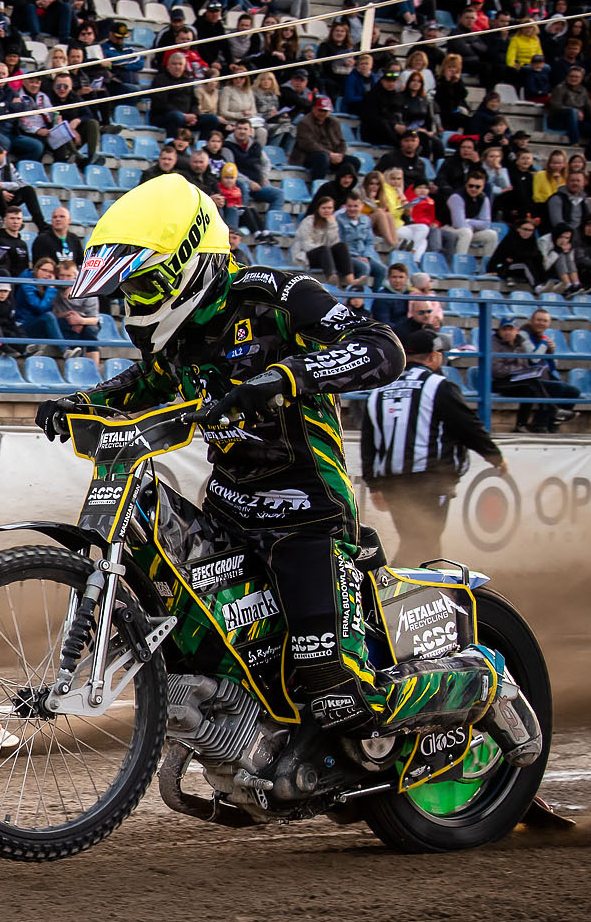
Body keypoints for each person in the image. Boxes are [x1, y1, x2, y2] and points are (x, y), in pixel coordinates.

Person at [44, 174, 401, 787]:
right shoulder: (179, 337)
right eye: (126, 293)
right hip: (230, 510)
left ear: (188, 261)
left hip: (305, 504)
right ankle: (242, 732)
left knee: (328, 677)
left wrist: (285, 377)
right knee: (187, 626)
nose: (133, 305)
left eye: (143, 286)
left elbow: (382, 347)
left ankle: (478, 691)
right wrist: (78, 398)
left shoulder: (278, 294)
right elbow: (142, 386)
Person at [361, 326, 505, 564]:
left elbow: (369, 442)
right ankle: (385, 591)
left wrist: (374, 484)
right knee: (421, 543)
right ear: (433, 356)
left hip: (393, 482)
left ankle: (425, 594)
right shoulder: (438, 386)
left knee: (419, 540)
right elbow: (466, 425)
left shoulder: (380, 390)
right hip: (429, 480)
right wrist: (494, 456)